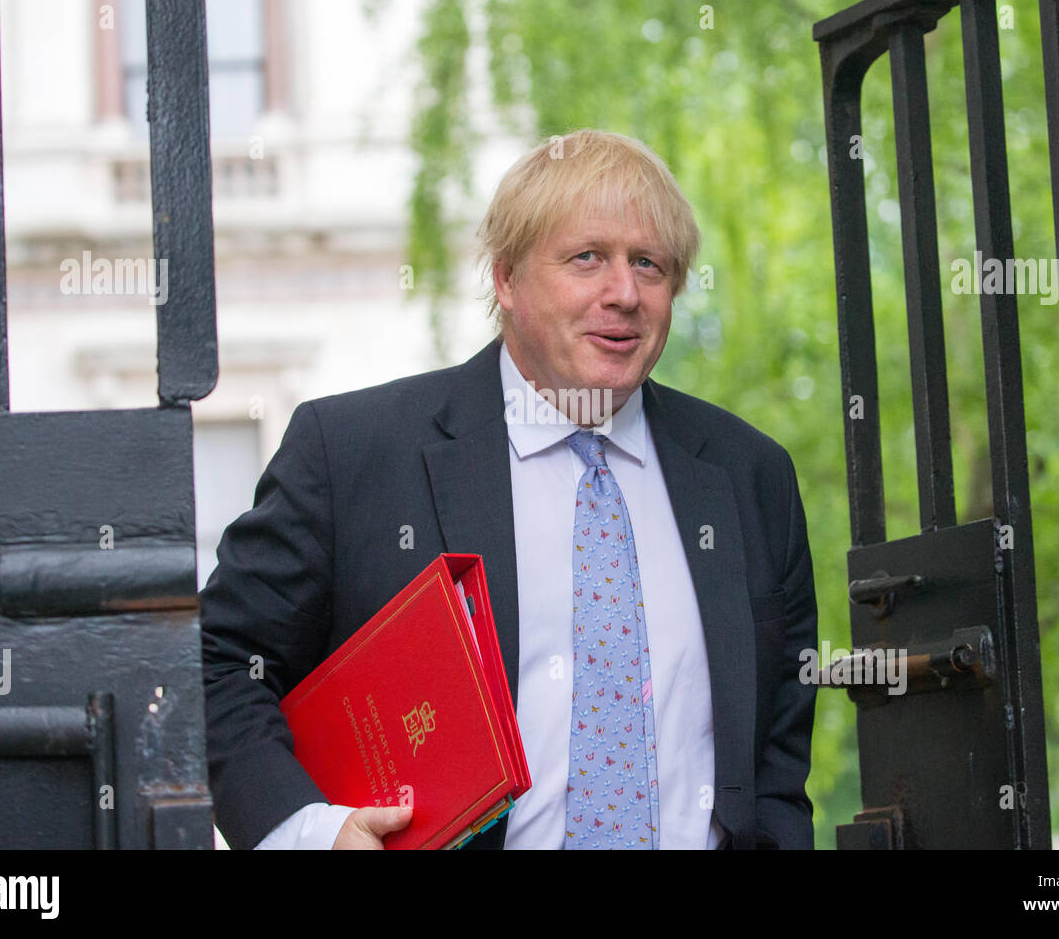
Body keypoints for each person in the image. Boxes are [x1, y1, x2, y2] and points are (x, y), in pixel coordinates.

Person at [201, 129, 817, 850]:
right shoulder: (352, 454)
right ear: (506, 278)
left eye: (648, 264)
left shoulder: (749, 478)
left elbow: (775, 757)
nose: (623, 294)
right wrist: (313, 833)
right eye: (587, 257)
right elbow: (217, 667)